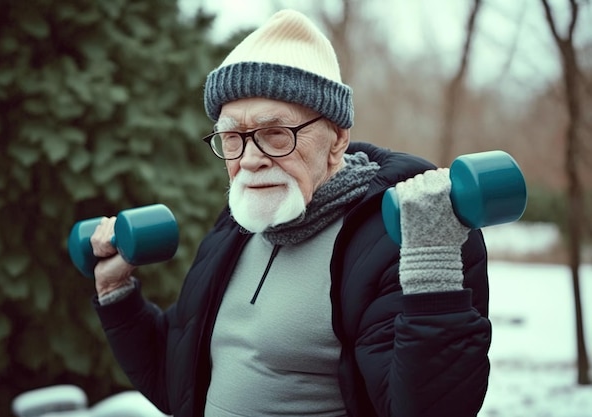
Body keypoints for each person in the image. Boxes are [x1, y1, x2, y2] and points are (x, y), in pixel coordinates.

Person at [90, 9, 491, 417]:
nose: (249, 160)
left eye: (275, 134)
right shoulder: (238, 225)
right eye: (232, 138)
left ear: (336, 139)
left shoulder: (409, 237)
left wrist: (433, 262)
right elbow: (179, 382)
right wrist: (115, 294)